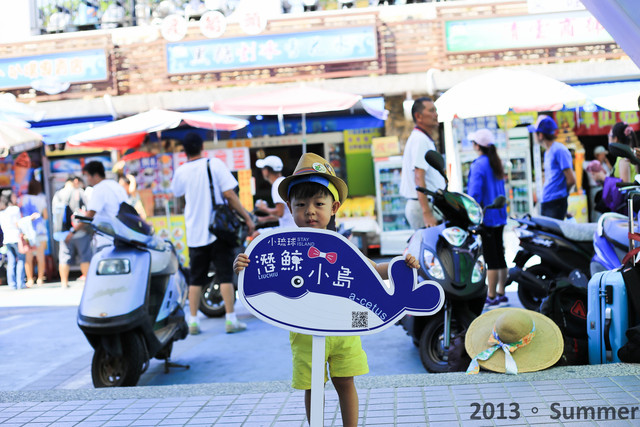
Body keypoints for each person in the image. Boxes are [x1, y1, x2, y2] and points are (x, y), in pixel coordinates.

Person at [233, 153, 420, 427]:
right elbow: (261, 273)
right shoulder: (284, 248)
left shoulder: (341, 245)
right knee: (313, 386)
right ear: (289, 208)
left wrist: (400, 265)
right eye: (301, 204)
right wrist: (243, 266)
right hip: (305, 328)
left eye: (318, 203)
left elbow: (372, 269)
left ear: (334, 207)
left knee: (345, 381)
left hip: (344, 326)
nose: (310, 210)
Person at [170, 132, 255, 335]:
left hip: (194, 233)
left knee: (195, 279)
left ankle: (193, 322)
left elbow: (177, 194)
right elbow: (229, 194)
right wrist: (247, 217)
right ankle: (231, 319)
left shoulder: (181, 171)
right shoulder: (214, 164)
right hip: (218, 231)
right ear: (202, 147)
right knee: (225, 275)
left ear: (184, 151)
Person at [466, 129, 508, 310]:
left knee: (491, 257)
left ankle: (491, 296)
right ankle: (501, 293)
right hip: (499, 215)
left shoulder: (478, 165)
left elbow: (474, 194)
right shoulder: (495, 162)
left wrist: (469, 212)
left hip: (486, 216)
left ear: (477, 146)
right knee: (500, 254)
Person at [399, 97, 446, 229]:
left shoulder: (422, 138)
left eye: (436, 110)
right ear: (418, 116)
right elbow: (419, 176)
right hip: (423, 206)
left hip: (426, 204)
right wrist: (426, 212)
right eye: (431, 111)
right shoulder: (420, 139)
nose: (435, 114)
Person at [528, 115, 576, 220]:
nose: (534, 136)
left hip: (555, 202)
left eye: (535, 133)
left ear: (540, 135)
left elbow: (571, 180)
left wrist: (562, 195)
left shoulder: (559, 150)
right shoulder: (548, 152)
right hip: (549, 200)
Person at [53, 176, 92, 288]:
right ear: (75, 181)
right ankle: (88, 283)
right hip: (80, 230)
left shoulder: (58, 194)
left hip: (64, 233)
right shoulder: (79, 192)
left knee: (64, 258)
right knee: (84, 257)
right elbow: (88, 211)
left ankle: (64, 283)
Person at [82, 161, 128, 249]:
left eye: (87, 175)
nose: (87, 179)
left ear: (95, 175)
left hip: (106, 239)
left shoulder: (99, 188)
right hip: (123, 237)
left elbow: (90, 214)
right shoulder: (116, 185)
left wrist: (73, 231)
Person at [20, 179, 48, 287]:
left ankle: (30, 279)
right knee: (40, 256)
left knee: (29, 257)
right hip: (40, 230)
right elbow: (45, 216)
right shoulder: (41, 199)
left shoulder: (23, 199)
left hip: (27, 231)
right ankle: (40, 279)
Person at [254, 155, 295, 230]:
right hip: (292, 227)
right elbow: (283, 214)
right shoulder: (283, 181)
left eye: (263, 169)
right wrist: (262, 219)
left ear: (266, 171)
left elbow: (279, 213)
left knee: (256, 234)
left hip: (288, 229)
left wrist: (263, 208)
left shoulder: (277, 185)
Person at [0, 191, 25, 289]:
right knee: (21, 259)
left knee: (11, 261)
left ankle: (12, 284)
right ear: (10, 198)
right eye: (14, 196)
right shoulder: (15, 209)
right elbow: (18, 223)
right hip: (16, 237)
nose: (16, 198)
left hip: (7, 238)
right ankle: (20, 283)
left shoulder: (2, 212)